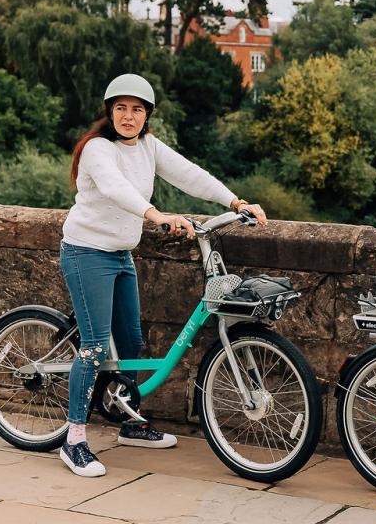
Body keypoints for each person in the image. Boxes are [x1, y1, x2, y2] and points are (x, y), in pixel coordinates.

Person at [57, 73, 269, 478]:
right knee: (97, 347)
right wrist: (157, 215)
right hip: (86, 253)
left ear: (147, 115)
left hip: (120, 256)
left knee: (133, 342)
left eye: (137, 109)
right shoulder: (97, 150)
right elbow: (118, 189)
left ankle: (129, 420)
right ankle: (75, 440)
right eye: (120, 108)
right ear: (109, 111)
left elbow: (189, 174)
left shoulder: (149, 147)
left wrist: (235, 200)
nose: (128, 116)